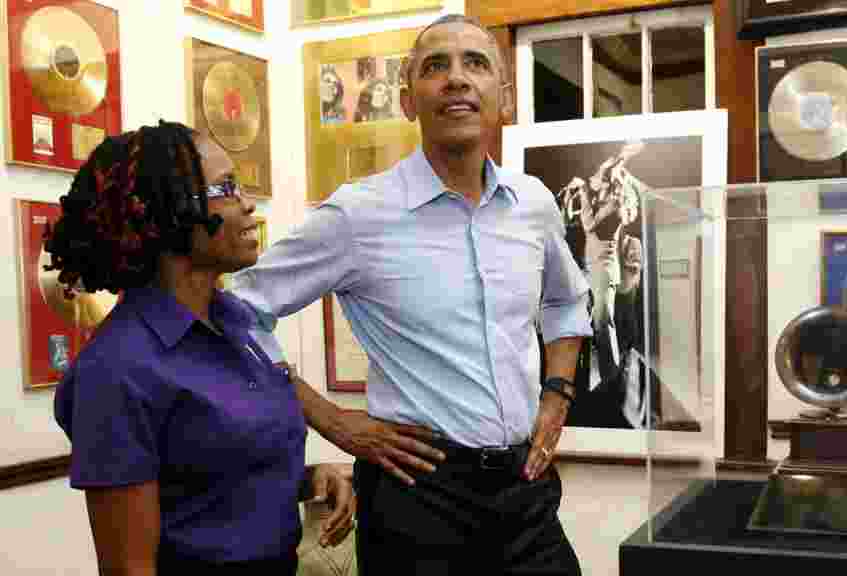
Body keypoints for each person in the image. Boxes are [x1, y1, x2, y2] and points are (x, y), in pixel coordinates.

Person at [228, 13, 592, 575]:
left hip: (525, 491)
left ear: (505, 98)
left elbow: (566, 302)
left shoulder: (533, 204)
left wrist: (558, 393)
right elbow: (236, 310)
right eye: (435, 66)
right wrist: (331, 419)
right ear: (407, 102)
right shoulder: (359, 214)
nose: (456, 78)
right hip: (418, 498)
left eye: (475, 63)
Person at [46, 121, 356, 573]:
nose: (247, 204)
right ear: (168, 212)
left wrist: (310, 479)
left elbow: (217, 476)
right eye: (224, 189)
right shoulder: (116, 368)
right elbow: (129, 568)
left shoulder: (238, 326)